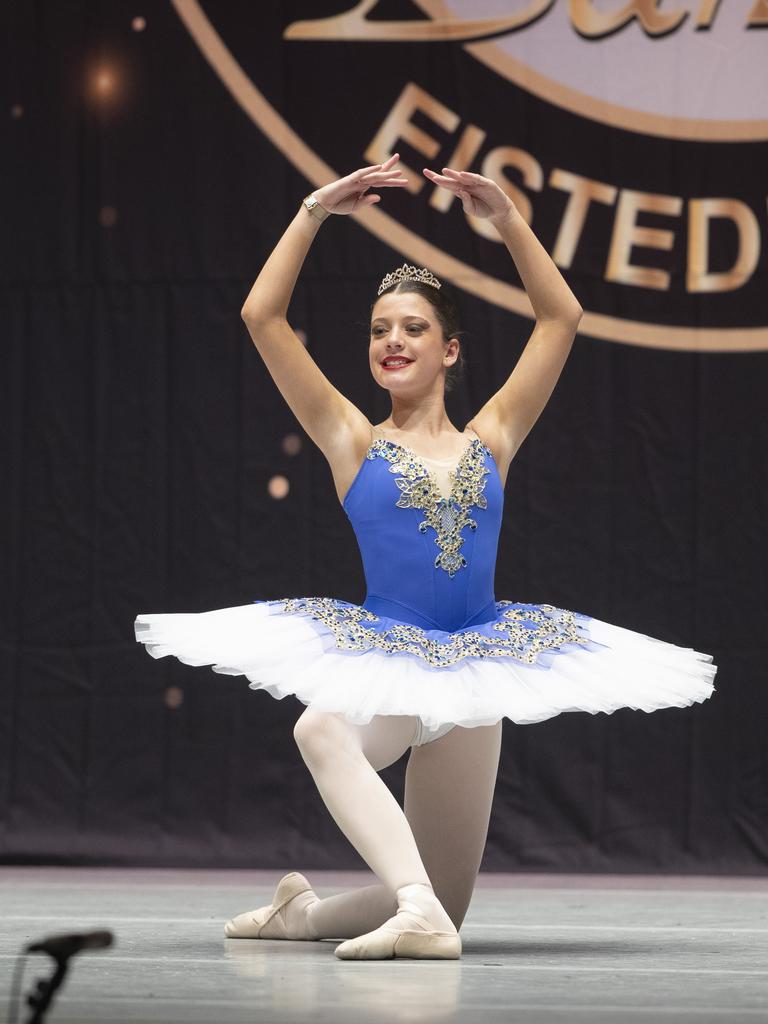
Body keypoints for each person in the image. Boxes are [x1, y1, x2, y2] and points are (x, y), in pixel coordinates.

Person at [134, 154, 717, 961]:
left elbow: (561, 317)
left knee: (449, 900)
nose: (392, 341)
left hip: (480, 659)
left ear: (449, 351)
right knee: (323, 732)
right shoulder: (350, 439)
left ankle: (300, 912)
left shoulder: (494, 436)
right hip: (391, 652)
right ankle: (413, 908)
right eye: (379, 330)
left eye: (412, 329)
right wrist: (314, 211)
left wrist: (507, 220)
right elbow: (263, 316)